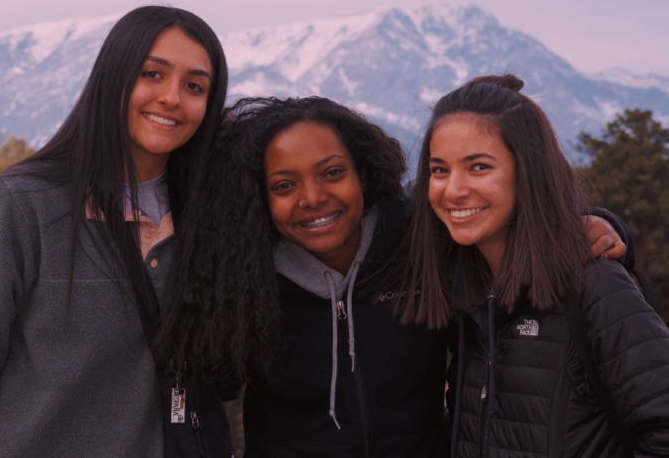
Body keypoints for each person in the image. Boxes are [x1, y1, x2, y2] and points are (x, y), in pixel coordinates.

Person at [155, 95, 629, 458]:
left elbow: (500, 224)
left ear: (363, 172)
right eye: (284, 186)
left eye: (332, 172)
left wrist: (597, 223)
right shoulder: (241, 272)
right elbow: (210, 387)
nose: (313, 197)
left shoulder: (417, 237)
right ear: (259, 197)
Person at [0, 6, 231, 458]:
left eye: (194, 86)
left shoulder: (216, 219)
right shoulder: (26, 205)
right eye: (152, 74)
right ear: (113, 78)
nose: (172, 98)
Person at [399, 74, 669, 457]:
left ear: (529, 171)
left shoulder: (595, 286)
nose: (453, 189)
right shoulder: (465, 291)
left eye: (479, 167)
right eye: (439, 170)